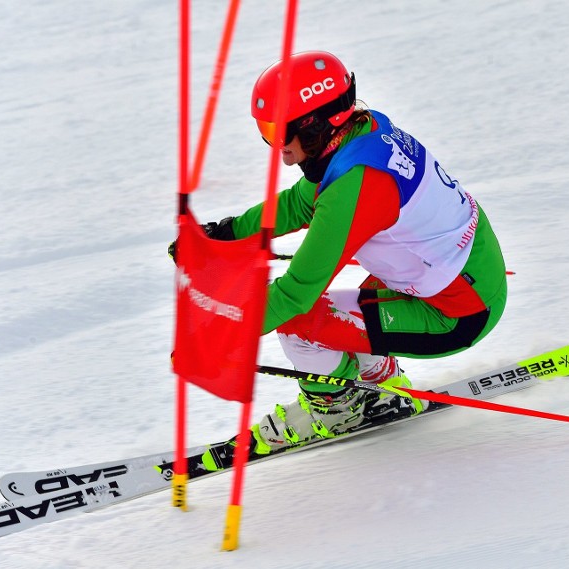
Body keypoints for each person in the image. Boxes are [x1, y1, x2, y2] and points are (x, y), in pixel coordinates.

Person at [175, 50, 507, 458]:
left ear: (316, 125)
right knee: (327, 308)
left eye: (280, 133)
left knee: (298, 319)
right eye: (266, 133)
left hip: (459, 311)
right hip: (462, 274)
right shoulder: (362, 132)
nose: (277, 150)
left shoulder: (356, 186)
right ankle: (379, 381)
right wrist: (224, 235)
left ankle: (336, 409)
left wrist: (213, 338)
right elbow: (300, 203)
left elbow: (297, 293)